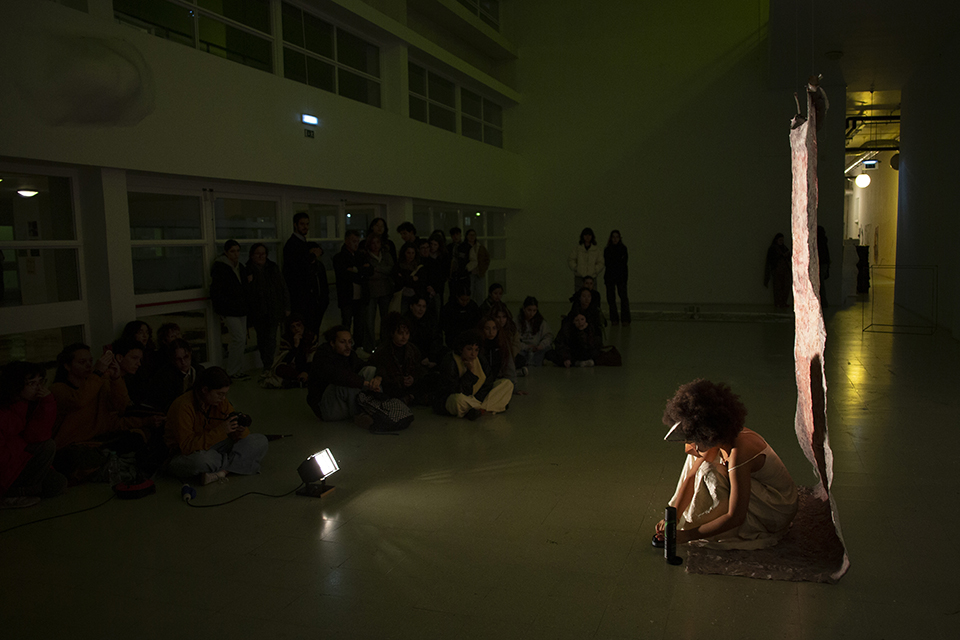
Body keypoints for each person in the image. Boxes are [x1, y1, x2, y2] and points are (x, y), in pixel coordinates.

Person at [654, 379, 798, 550]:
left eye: (695, 438)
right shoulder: (719, 437)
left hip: (775, 509)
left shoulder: (740, 453)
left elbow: (735, 516)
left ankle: (704, 527)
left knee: (708, 471)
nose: (691, 445)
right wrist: (674, 517)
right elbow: (691, 477)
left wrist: (687, 536)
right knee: (697, 457)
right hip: (756, 494)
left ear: (708, 432)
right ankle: (699, 524)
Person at [50, 343, 155, 480]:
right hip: (71, 446)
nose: (88, 365)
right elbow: (79, 401)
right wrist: (98, 373)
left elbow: (121, 406)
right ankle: (112, 466)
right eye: (82, 362)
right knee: (75, 457)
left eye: (90, 361)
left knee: (136, 437)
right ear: (67, 366)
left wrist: (116, 378)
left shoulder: (97, 382)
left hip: (98, 442)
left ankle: (111, 464)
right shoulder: (58, 389)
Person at [165, 366, 268, 485]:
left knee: (259, 441)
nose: (223, 398)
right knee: (202, 461)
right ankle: (237, 462)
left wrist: (239, 430)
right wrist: (221, 431)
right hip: (187, 454)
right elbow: (187, 447)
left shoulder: (220, 401)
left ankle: (222, 472)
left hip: (215, 446)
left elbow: (238, 436)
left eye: (225, 394)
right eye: (219, 394)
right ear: (205, 390)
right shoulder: (184, 406)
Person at [1, 361, 67, 508]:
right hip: (9, 469)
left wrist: (47, 403)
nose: (39, 388)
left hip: (21, 461)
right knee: (47, 446)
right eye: (32, 383)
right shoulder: (5, 412)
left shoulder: (30, 404)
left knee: (57, 483)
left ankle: (25, 490)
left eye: (40, 382)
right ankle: (13, 494)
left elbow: (36, 436)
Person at [306, 325, 380, 427]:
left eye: (349, 342)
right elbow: (338, 376)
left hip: (344, 404)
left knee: (370, 371)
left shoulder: (350, 355)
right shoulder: (322, 356)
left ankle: (379, 406)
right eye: (342, 342)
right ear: (332, 343)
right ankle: (360, 415)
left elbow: (364, 365)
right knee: (346, 385)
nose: (348, 346)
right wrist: (364, 383)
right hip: (326, 407)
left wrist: (377, 378)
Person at [433, 330, 513, 420]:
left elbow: (488, 382)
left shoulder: (480, 359)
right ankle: (490, 407)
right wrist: (470, 372)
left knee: (506, 383)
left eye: (476, 350)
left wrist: (478, 399)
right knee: (458, 400)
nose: (473, 354)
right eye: (469, 349)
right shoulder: (450, 362)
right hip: (456, 398)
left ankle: (478, 409)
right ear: (461, 349)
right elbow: (457, 391)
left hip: (476, 398)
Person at [283, 212, 329, 336]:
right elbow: (297, 268)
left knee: (311, 331)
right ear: (295, 225)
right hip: (301, 298)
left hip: (310, 299)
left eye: (307, 224)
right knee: (304, 331)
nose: (305, 227)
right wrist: (312, 256)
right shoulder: (292, 245)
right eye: (302, 224)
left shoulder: (302, 244)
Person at [210, 239, 250, 380]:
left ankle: (236, 369)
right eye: (233, 251)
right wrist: (223, 307)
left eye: (238, 251)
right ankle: (233, 370)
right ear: (226, 252)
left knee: (239, 340)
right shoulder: (220, 268)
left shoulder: (239, 267)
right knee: (239, 339)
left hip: (240, 308)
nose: (236, 254)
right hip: (230, 309)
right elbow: (217, 291)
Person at [247, 242, 290, 373]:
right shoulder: (247, 270)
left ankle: (269, 364)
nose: (261, 256)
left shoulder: (273, 268)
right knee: (262, 338)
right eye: (258, 254)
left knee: (271, 338)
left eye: (263, 253)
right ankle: (267, 363)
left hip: (273, 308)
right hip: (258, 310)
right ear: (252, 255)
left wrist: (286, 306)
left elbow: (283, 287)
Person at [368, 312, 428, 404]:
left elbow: (419, 369)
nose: (404, 337)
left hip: (409, 384)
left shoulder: (412, 349)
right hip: (393, 386)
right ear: (392, 333)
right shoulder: (383, 351)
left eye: (407, 333)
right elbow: (382, 373)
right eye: (400, 333)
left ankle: (410, 397)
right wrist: (400, 380)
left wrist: (413, 378)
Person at [333, 229, 372, 347]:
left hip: (360, 296)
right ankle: (345, 346)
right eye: (354, 241)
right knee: (346, 324)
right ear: (346, 241)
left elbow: (370, 271)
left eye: (357, 241)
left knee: (359, 324)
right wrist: (361, 272)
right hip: (347, 296)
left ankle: (357, 346)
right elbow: (344, 275)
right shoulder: (339, 257)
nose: (356, 244)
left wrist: (355, 270)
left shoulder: (361, 255)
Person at [146, 338, 204, 414]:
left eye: (186, 357)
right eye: (178, 359)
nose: (183, 362)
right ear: (172, 360)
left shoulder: (199, 371)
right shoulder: (164, 377)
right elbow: (165, 404)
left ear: (190, 354)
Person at [362, 234, 396, 352]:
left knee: (385, 319)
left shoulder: (386, 255)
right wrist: (381, 271)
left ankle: (384, 343)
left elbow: (391, 269)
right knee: (369, 320)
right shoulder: (365, 256)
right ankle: (370, 346)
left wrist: (375, 268)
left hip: (385, 290)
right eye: (373, 243)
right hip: (371, 291)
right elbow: (367, 273)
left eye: (377, 242)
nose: (376, 245)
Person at [271, 314, 318, 386]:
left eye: (298, 325)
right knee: (279, 369)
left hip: (308, 365)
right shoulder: (286, 339)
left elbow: (313, 357)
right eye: (293, 327)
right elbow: (285, 360)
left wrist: (306, 372)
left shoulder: (311, 336)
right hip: (294, 367)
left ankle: (301, 379)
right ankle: (300, 379)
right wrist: (295, 346)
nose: (296, 328)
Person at [118, 320, 157, 399]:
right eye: (140, 332)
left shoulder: (151, 354)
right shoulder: (125, 352)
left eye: (147, 332)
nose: (145, 336)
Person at [515, 296, 553, 374]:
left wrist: (541, 345)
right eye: (529, 310)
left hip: (537, 350)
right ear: (524, 308)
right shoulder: (516, 322)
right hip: (522, 350)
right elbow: (514, 340)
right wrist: (526, 347)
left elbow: (548, 336)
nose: (531, 313)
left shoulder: (541, 322)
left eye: (534, 310)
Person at [404, 295, 444, 367]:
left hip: (430, 354)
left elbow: (437, 338)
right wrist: (423, 357)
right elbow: (410, 343)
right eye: (418, 306)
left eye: (423, 307)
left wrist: (431, 357)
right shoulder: (405, 321)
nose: (421, 309)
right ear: (411, 306)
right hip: (415, 355)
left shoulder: (429, 320)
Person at [478, 316, 517, 385]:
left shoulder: (502, 343)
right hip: (481, 381)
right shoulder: (478, 345)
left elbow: (509, 366)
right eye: (487, 329)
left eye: (494, 328)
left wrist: (513, 385)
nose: (491, 332)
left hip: (497, 379)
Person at [603, 230, 631, 325]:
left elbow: (624, 264)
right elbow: (608, 263)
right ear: (611, 238)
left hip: (621, 277)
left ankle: (625, 319)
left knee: (623, 298)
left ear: (619, 238)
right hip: (610, 277)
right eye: (613, 237)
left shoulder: (623, 249)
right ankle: (614, 319)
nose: (615, 239)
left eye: (617, 237)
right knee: (611, 299)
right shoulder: (607, 250)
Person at [568, 227, 604, 293]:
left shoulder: (596, 250)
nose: (587, 237)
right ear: (582, 236)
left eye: (589, 235)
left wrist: (595, 270)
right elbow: (571, 260)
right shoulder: (577, 249)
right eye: (585, 235)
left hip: (592, 277)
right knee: (578, 295)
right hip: (579, 277)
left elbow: (601, 262)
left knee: (593, 295)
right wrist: (576, 268)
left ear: (592, 236)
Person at [461, 229, 490, 303]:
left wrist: (482, 269)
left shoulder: (480, 247)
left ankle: (479, 308)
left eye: (473, 235)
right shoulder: (463, 247)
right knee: (470, 293)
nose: (472, 237)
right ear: (467, 236)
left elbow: (487, 259)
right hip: (468, 274)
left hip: (479, 273)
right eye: (470, 235)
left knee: (480, 293)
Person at [764, 233, 792, 309]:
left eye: (782, 240)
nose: (781, 241)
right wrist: (781, 256)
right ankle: (778, 303)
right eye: (780, 240)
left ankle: (783, 302)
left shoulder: (784, 248)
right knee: (778, 287)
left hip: (785, 271)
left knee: (785, 287)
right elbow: (772, 260)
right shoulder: (773, 249)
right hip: (777, 270)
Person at [395, 243, 422, 314]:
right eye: (408, 253)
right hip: (402, 295)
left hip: (415, 296)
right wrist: (411, 279)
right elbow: (398, 281)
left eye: (413, 253)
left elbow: (420, 282)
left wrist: (404, 278)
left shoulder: (419, 266)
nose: (411, 256)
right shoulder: (399, 266)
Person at [817, 225, 830, 308]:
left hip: (820, 264)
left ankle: (822, 302)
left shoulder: (819, 242)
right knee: (821, 284)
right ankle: (823, 302)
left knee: (820, 284)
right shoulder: (824, 241)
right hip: (823, 264)